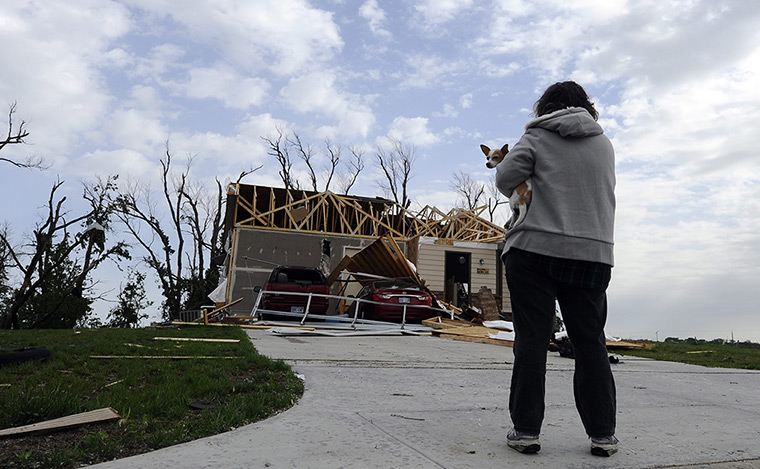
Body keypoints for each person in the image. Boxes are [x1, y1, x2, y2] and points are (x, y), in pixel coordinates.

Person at [494, 81, 618, 457]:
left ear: (545, 107)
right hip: (593, 254)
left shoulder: (535, 138)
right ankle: (603, 435)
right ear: (587, 107)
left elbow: (503, 180)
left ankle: (527, 431)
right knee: (590, 343)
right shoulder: (604, 144)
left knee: (532, 340)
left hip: (535, 250)